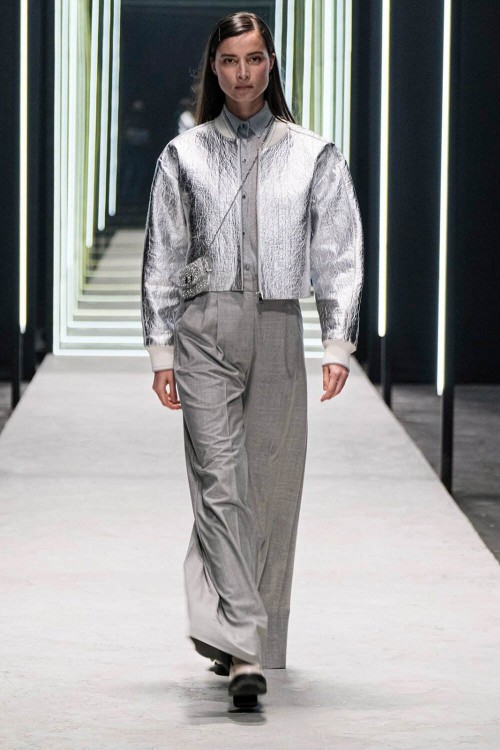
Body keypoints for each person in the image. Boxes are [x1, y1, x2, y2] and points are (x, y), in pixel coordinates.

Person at [141, 11, 364, 709]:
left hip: (277, 324)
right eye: (230, 60)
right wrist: (161, 346)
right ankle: (243, 650)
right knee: (219, 483)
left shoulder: (312, 154)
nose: (243, 73)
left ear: (272, 65)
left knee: (269, 491)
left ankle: (246, 638)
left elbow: (338, 248)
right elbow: (164, 251)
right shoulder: (184, 156)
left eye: (255, 59)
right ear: (215, 68)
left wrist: (337, 340)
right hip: (205, 329)